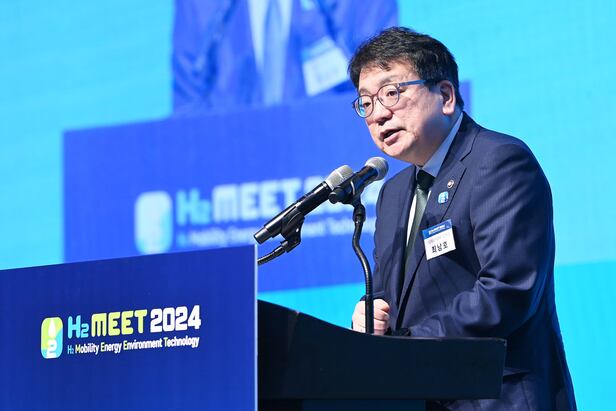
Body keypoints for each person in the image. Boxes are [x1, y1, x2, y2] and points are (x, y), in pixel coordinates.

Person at [349, 27, 576, 410]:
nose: (379, 114)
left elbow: (507, 291)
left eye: (391, 93)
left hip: (497, 399)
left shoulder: (499, 161)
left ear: (445, 96)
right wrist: (370, 315)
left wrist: (406, 344)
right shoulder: (393, 193)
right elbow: (393, 296)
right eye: (366, 102)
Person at [171, 0, 397, 115]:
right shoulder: (199, 6)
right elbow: (188, 113)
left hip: (335, 154)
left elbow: (380, 83)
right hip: (233, 164)